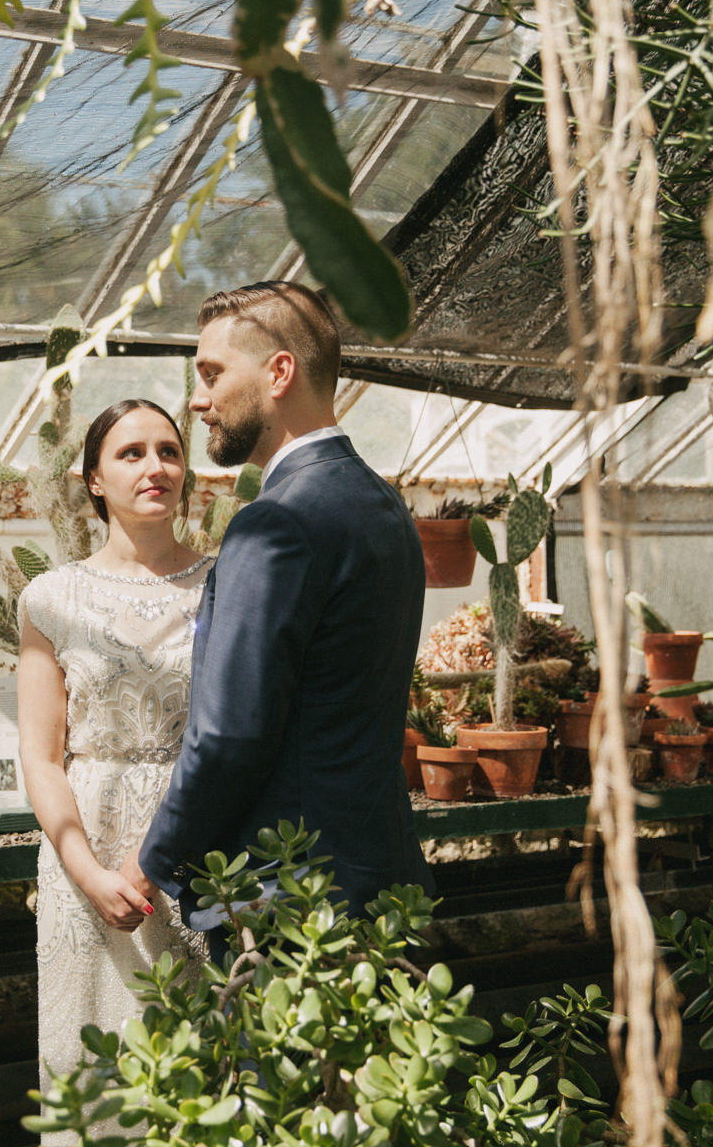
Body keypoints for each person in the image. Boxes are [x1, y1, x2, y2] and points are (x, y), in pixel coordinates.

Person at [131, 280, 434, 946]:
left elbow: (230, 734)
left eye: (211, 373)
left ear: (278, 373)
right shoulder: (385, 508)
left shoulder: (276, 523)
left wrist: (150, 861)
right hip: (378, 880)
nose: (197, 399)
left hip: (292, 898)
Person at [17, 398, 210, 1113]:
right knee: (92, 1075)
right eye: (131, 453)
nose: (155, 466)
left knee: (201, 1071)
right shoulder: (50, 597)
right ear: (94, 479)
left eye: (168, 450)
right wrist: (89, 874)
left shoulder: (228, 585)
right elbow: (40, 757)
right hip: (86, 865)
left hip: (197, 850)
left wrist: (158, 859)